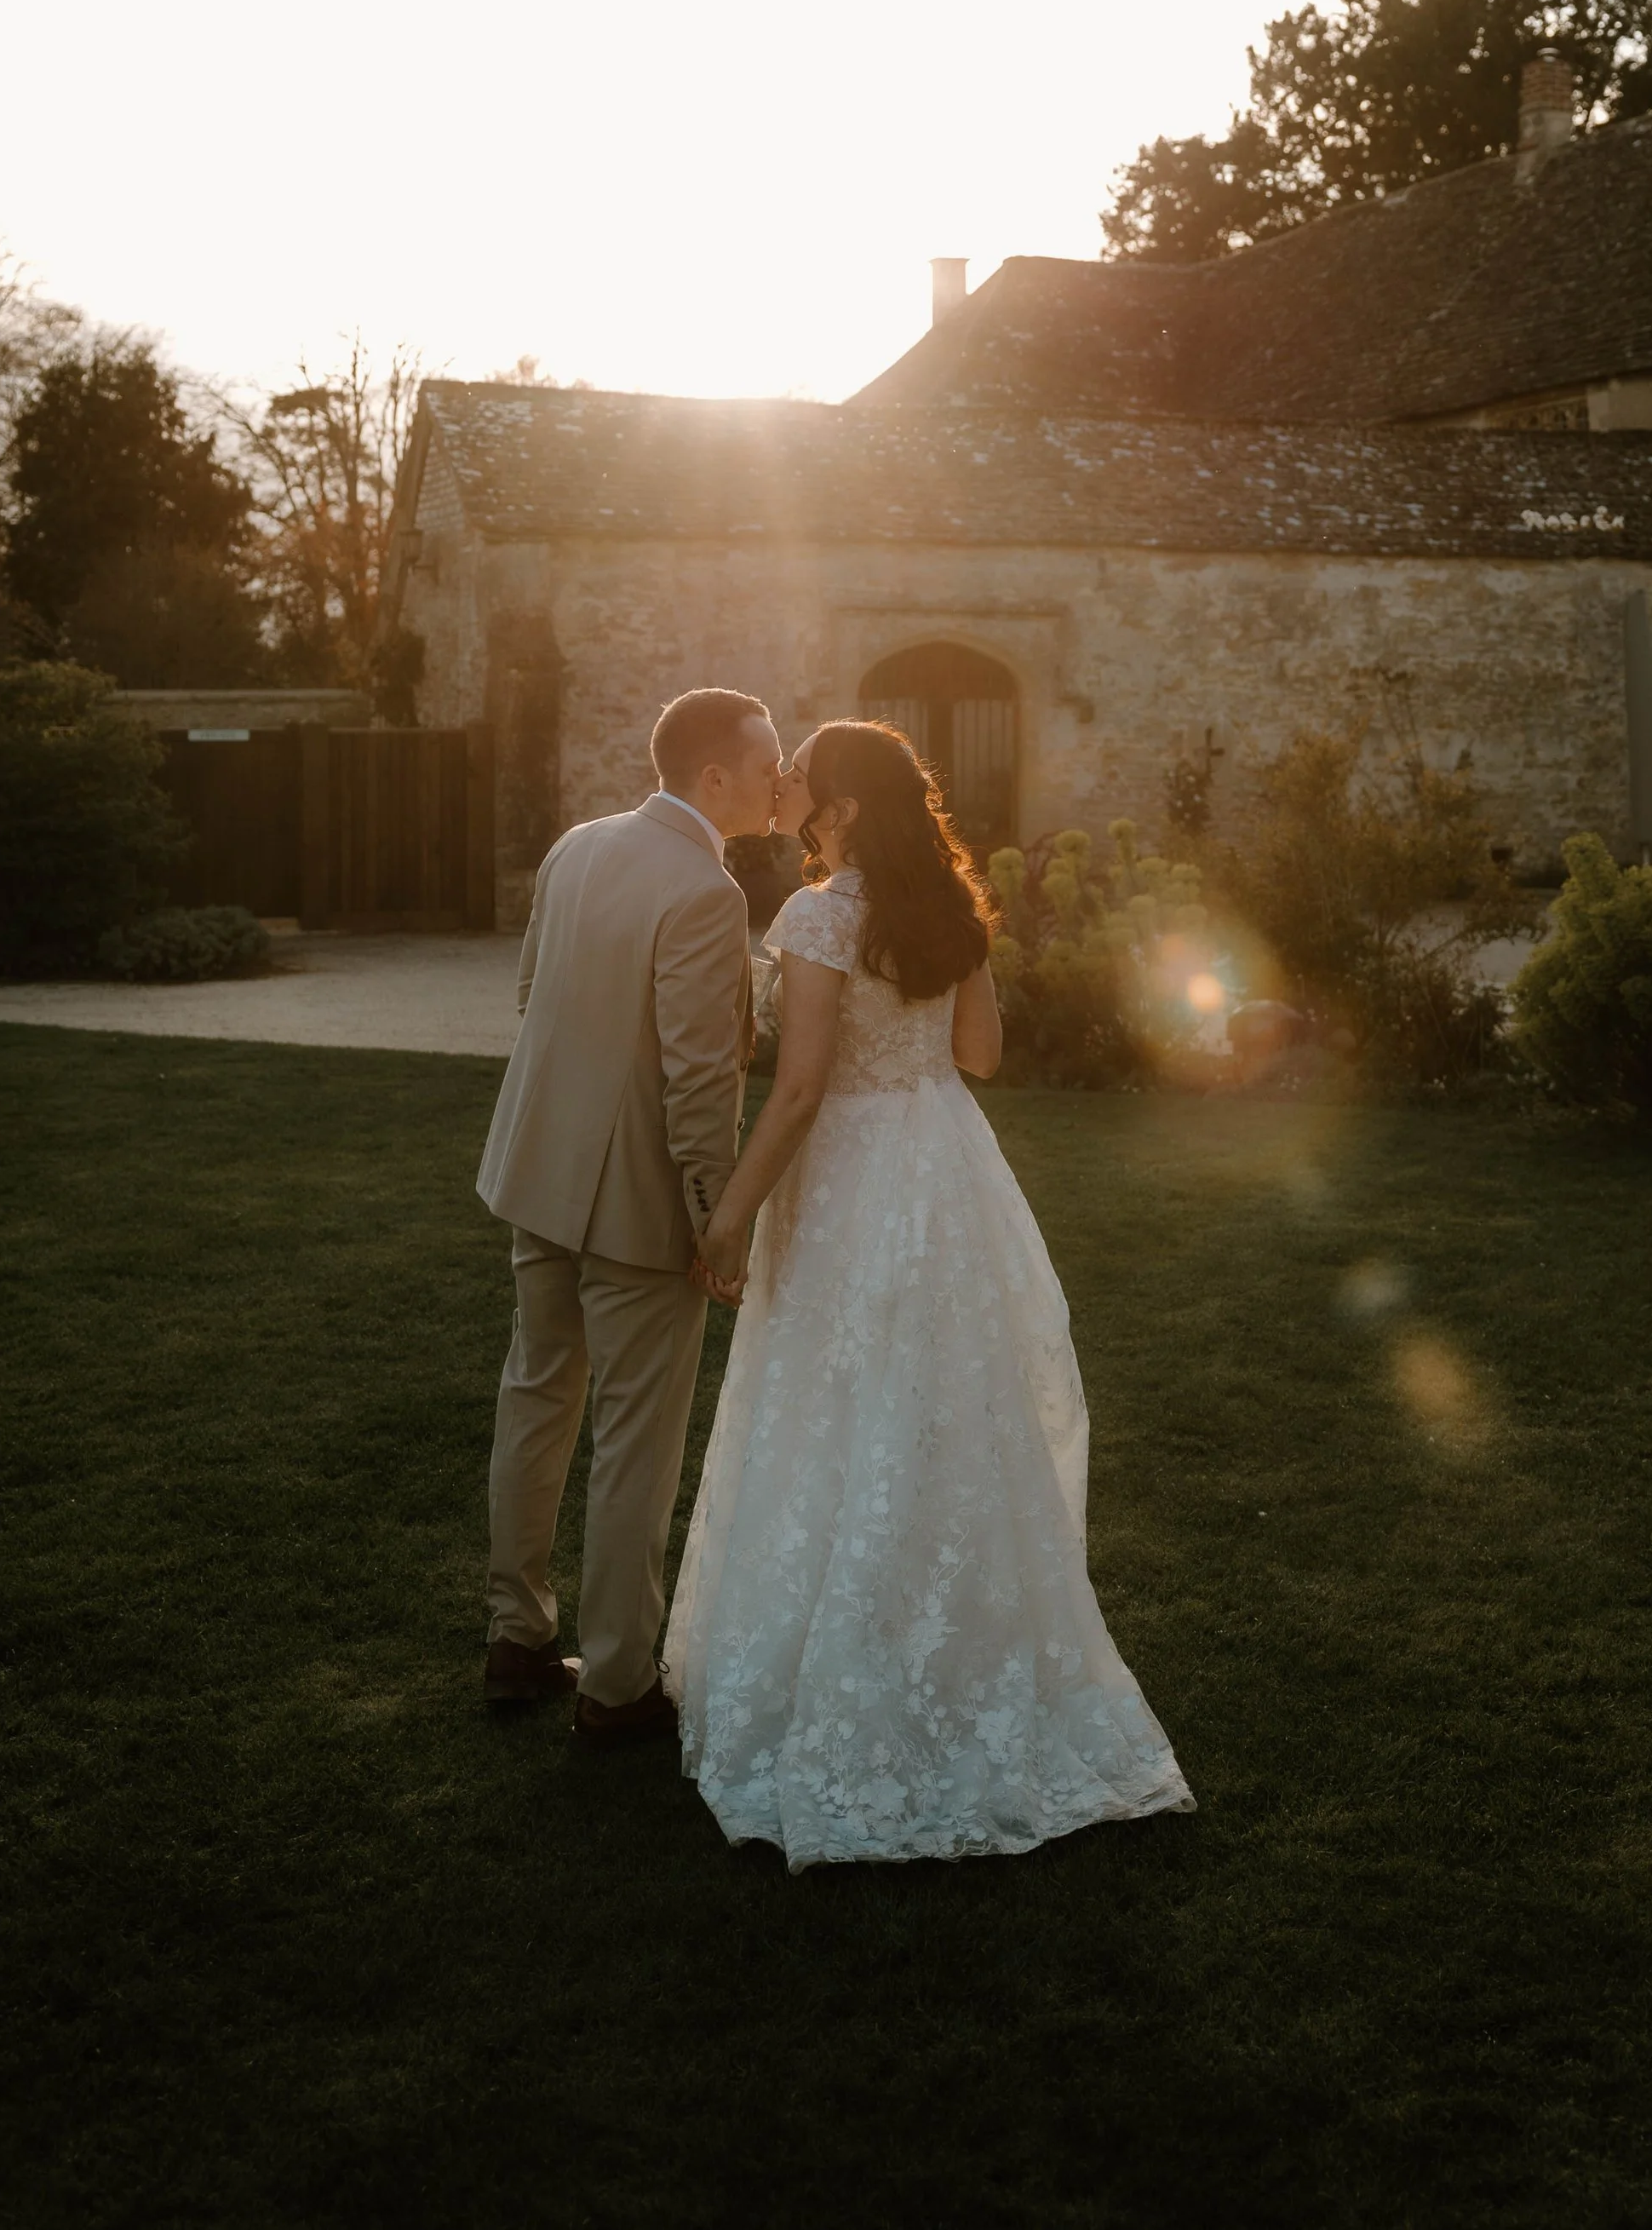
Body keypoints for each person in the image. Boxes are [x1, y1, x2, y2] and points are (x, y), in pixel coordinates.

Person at [663, 720, 1192, 1866]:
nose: (789, 776)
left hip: (855, 1168)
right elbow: (982, 1054)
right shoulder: (945, 908)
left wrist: (732, 1207)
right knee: (944, 1405)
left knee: (835, 1396)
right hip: (945, 1164)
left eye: (806, 767)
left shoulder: (814, 915)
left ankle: (853, 1667)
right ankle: (953, 1643)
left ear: (842, 807)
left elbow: (799, 1086)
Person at [476, 687, 782, 1744]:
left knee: (537, 1397)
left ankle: (515, 1640)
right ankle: (614, 1687)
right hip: (637, 1205)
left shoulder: (577, 846)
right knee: (635, 1448)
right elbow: (702, 1084)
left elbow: (530, 996)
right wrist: (717, 1219)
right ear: (714, 779)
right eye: (767, 763)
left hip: (537, 1176)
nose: (780, 780)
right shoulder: (704, 890)